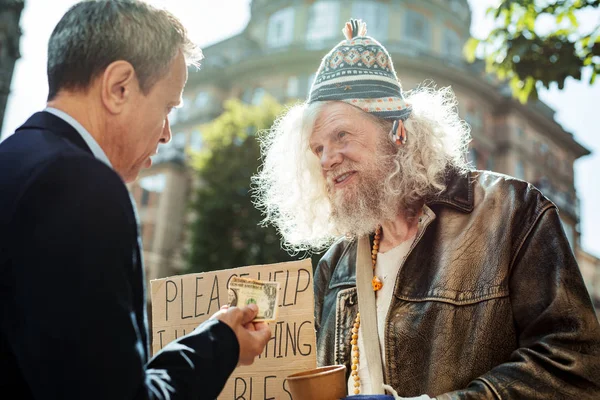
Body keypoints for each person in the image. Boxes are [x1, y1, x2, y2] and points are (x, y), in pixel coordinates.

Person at [252, 19, 600, 399]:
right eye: (317, 149)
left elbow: (573, 366)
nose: (327, 160)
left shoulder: (512, 211)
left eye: (341, 136)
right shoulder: (335, 265)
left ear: (398, 132)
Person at [0, 1, 270, 399]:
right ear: (119, 87)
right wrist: (222, 344)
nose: (167, 134)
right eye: (167, 107)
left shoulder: (13, 160)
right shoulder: (82, 185)